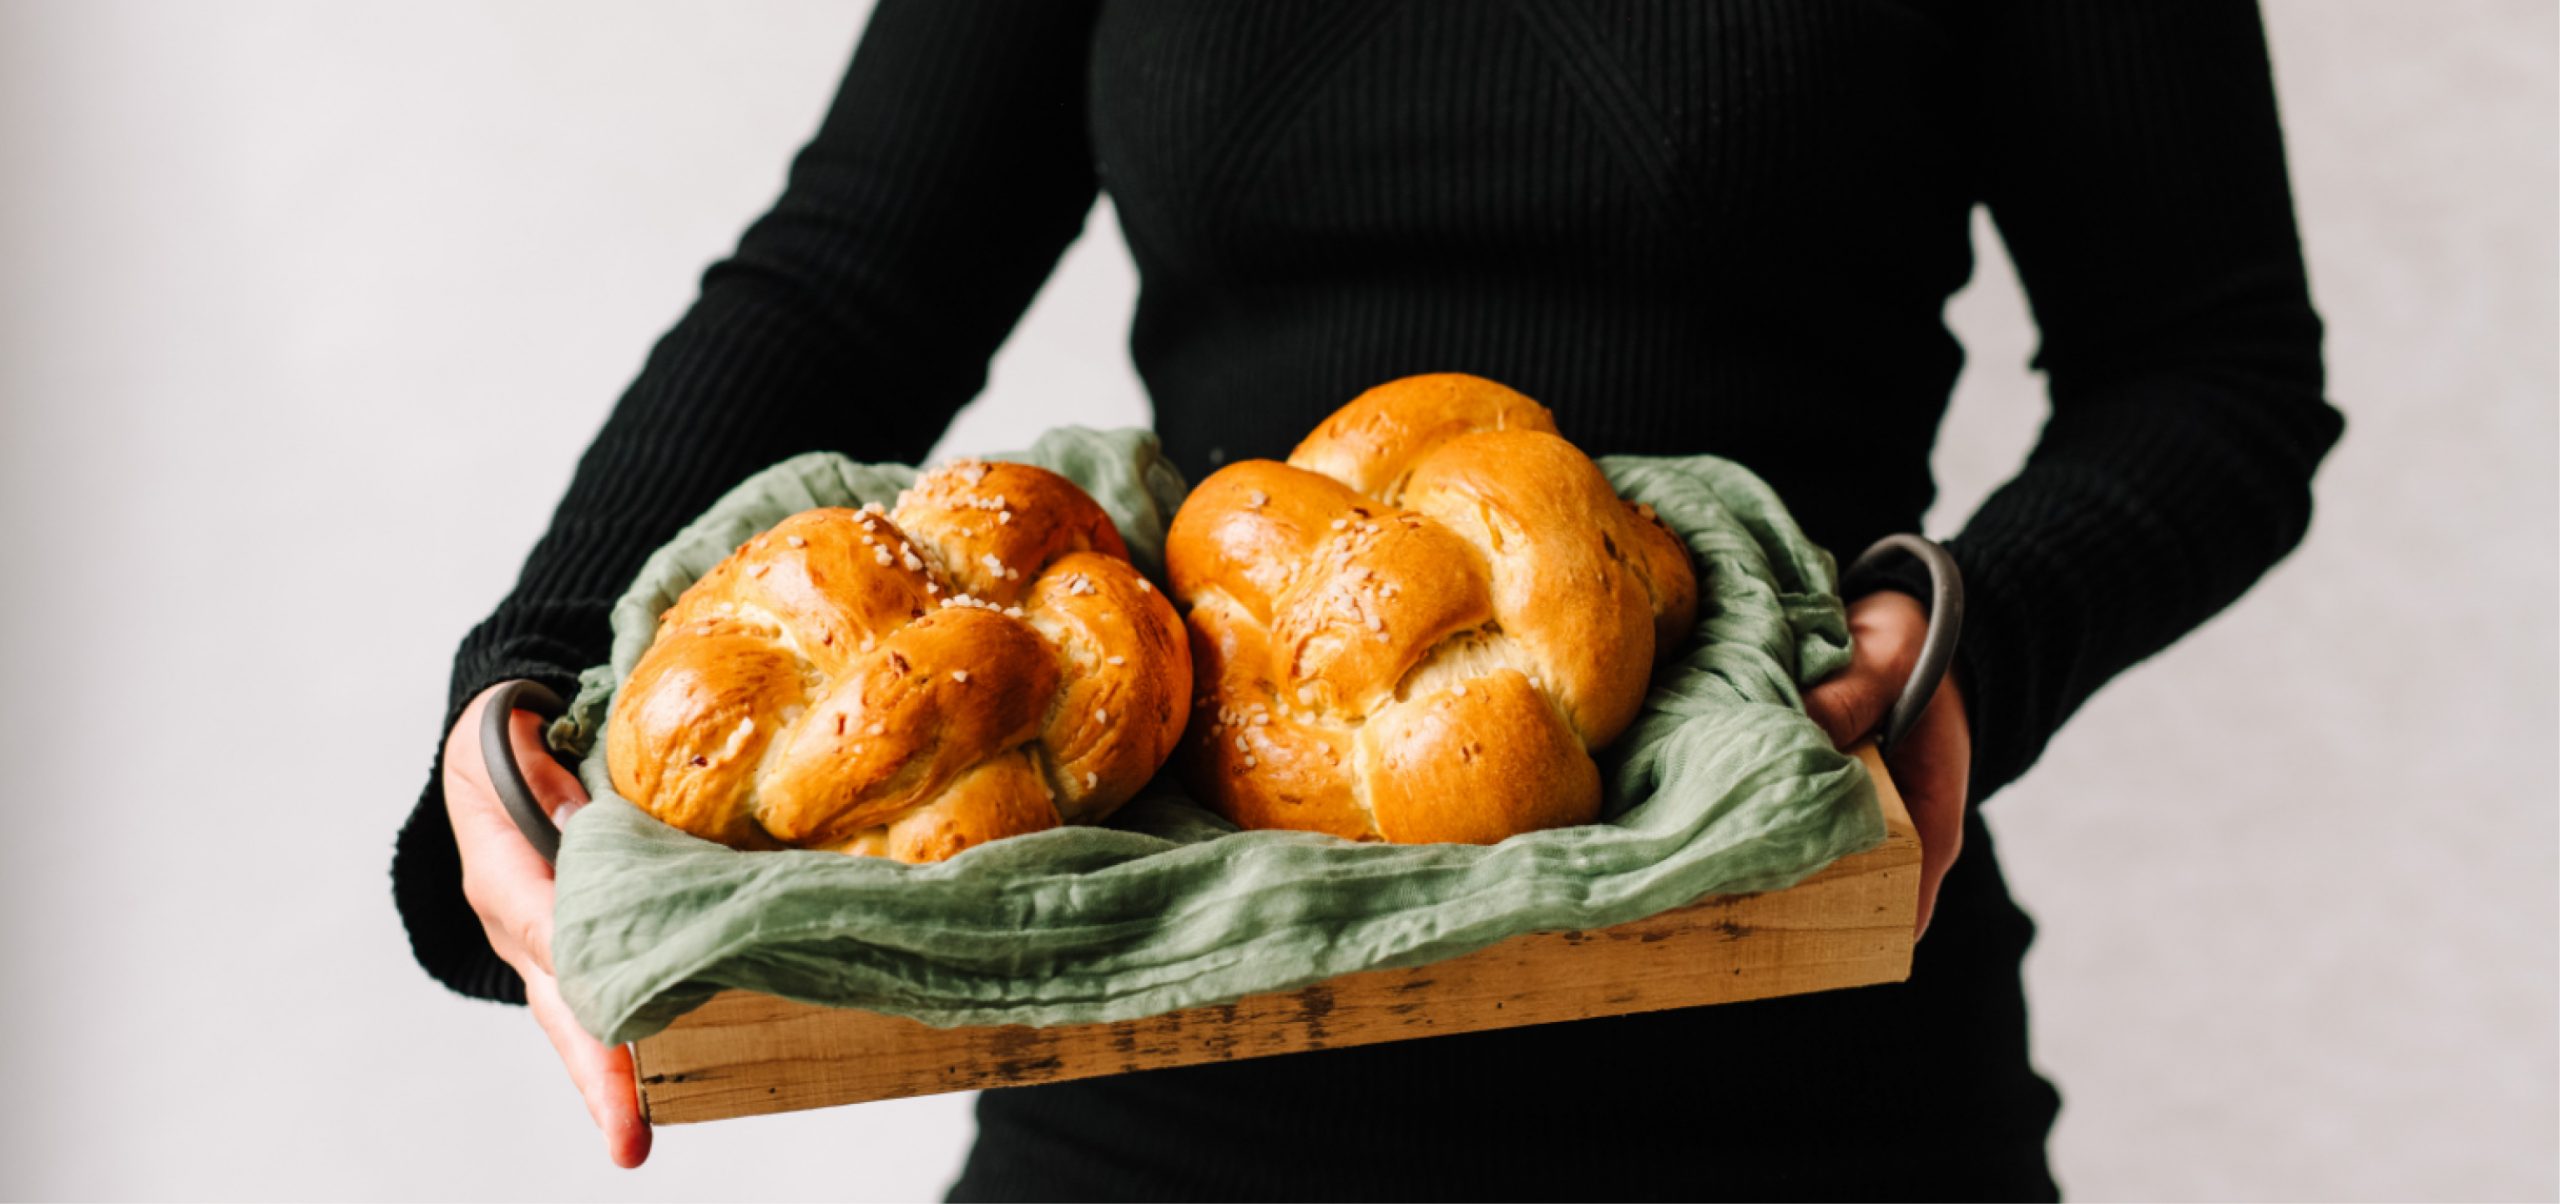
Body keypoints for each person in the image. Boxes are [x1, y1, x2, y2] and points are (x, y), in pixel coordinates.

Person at [396, 1, 2340, 1197]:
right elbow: (850, 278)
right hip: (1169, 1031)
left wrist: (1953, 634)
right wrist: (532, 682)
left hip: (1785, 1039)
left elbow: (2210, 366)